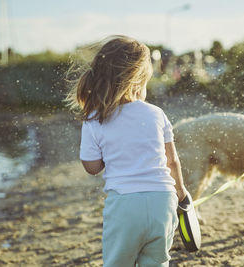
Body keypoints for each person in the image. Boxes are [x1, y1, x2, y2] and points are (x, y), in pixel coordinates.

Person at [66, 35, 187, 267]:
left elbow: (91, 167)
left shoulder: (94, 118)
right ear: (139, 80)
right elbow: (172, 162)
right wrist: (181, 193)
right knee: (156, 261)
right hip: (164, 200)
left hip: (125, 206)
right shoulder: (156, 113)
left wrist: (107, 156)